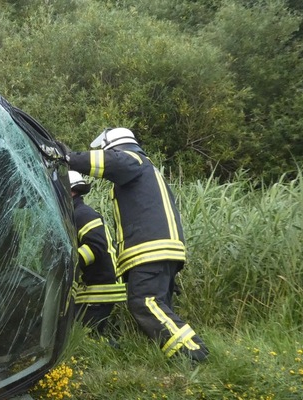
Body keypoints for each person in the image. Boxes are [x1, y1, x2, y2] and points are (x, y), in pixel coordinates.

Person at [66, 127, 209, 362]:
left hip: (151, 250)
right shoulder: (145, 171)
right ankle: (181, 358)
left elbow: (110, 162)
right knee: (159, 306)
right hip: (161, 249)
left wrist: (68, 158)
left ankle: (193, 354)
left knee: (145, 302)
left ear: (116, 148)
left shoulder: (134, 160)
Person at [67, 171, 126, 341]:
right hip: (92, 289)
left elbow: (96, 248)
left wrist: (68, 263)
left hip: (101, 290)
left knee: (87, 336)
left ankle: (111, 350)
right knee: (83, 334)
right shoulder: (75, 214)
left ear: (71, 191)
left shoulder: (83, 215)